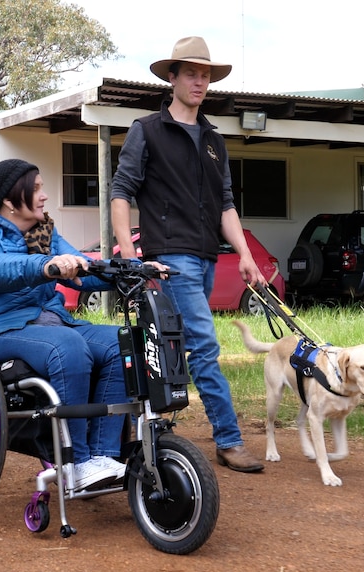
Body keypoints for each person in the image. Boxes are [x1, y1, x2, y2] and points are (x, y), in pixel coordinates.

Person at [110, 36, 266, 473]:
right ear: (172, 78)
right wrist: (129, 255)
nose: (200, 82)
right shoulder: (147, 131)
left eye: (206, 75)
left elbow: (226, 204)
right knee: (204, 346)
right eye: (192, 74)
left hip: (206, 258)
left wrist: (245, 254)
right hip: (168, 257)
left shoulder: (215, 139)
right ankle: (229, 439)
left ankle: (146, 429)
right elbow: (121, 192)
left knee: (167, 346)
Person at [0, 158, 129, 490]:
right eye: (36, 189)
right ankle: (75, 462)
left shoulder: (44, 233)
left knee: (123, 342)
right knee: (69, 346)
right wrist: (46, 266)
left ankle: (104, 457)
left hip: (49, 323)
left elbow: (82, 270)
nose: (45, 196)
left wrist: (129, 270)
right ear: (9, 199)